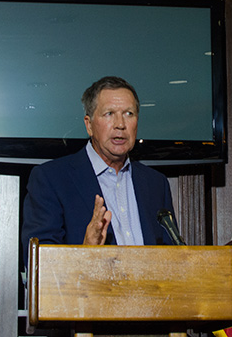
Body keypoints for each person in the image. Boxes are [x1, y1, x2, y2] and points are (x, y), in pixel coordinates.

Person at [21, 76, 176, 261]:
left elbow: (172, 257)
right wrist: (86, 251)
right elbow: (39, 262)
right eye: (109, 113)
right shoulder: (50, 179)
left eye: (129, 114)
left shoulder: (156, 183)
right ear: (89, 125)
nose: (120, 124)